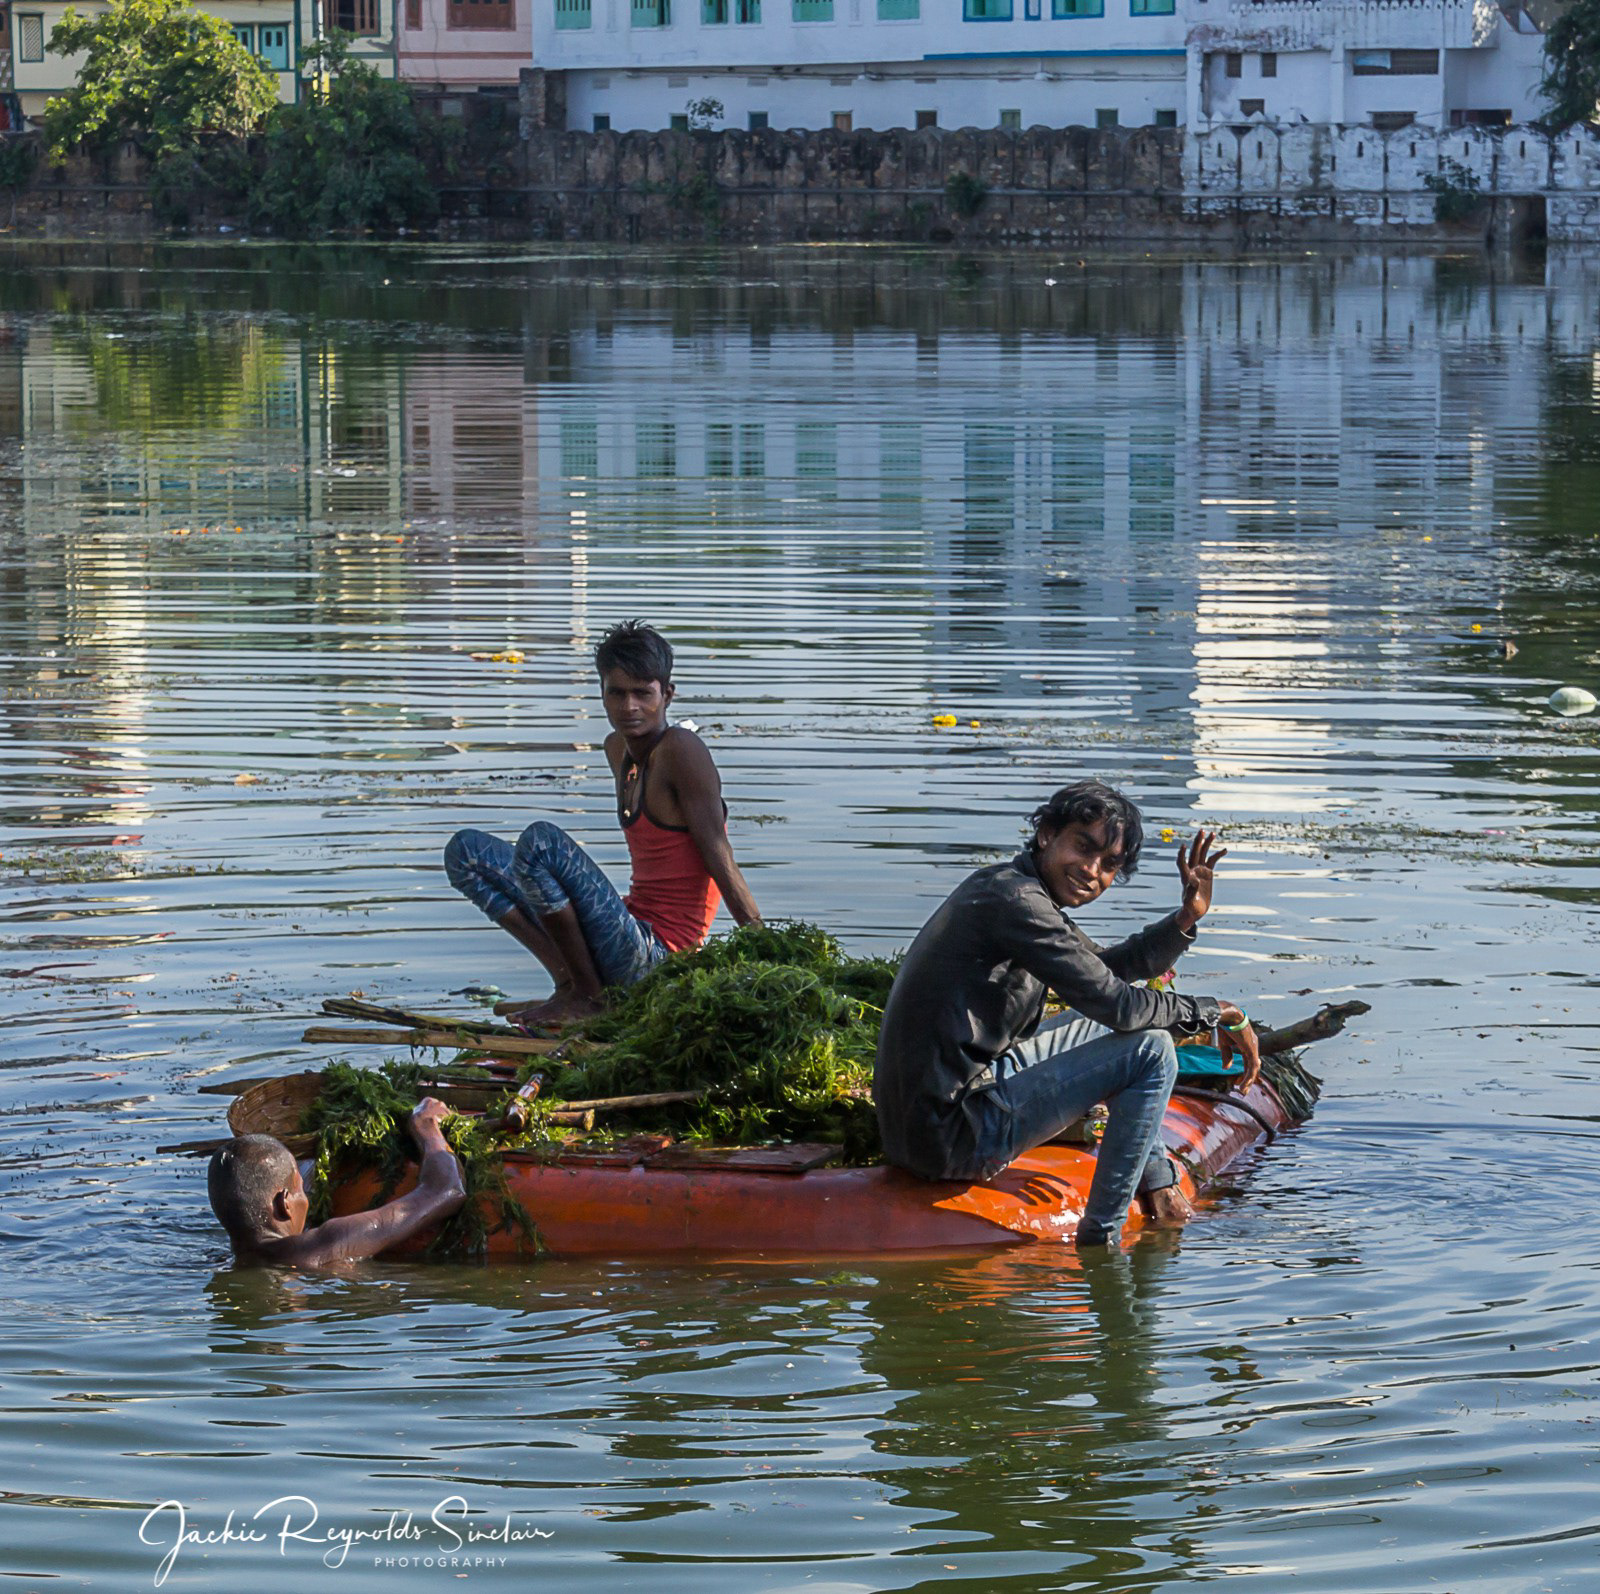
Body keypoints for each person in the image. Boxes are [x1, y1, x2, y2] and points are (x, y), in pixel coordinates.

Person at [873, 779, 1259, 1247]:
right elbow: (1118, 1004)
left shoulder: (1015, 892)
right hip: (951, 1135)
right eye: (1083, 847)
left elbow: (1105, 973)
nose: (1091, 871)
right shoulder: (1016, 902)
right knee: (1152, 1050)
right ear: (1046, 835)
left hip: (942, 1112)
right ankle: (1101, 1240)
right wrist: (1217, 1012)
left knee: (1131, 1028)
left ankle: (1153, 1177)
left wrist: (1185, 919)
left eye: (1109, 865)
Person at [445, 620, 762, 1026]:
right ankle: (570, 985)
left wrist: (765, 943)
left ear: (666, 695)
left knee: (542, 844)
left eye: (642, 694)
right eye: (617, 693)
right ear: (602, 695)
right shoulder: (618, 750)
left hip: (658, 958)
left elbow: (720, 856)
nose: (629, 707)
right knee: (465, 853)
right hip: (626, 934)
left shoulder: (681, 750)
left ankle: (590, 998)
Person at [208, 1098, 465, 1268]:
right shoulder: (328, 1243)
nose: (306, 1198)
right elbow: (446, 1190)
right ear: (285, 1203)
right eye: (301, 1188)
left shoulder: (224, 1262)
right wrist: (427, 1127)